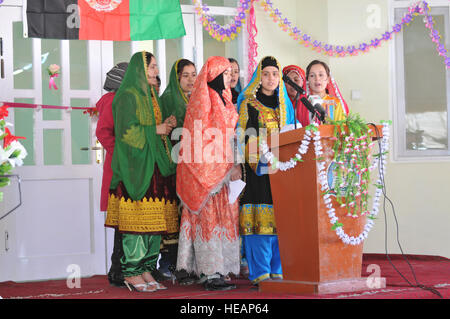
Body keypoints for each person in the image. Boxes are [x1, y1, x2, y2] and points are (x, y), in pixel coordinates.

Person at [104, 51, 179, 293]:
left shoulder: (151, 95)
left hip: (155, 166)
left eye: (156, 67)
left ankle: (147, 267)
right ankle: (132, 272)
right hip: (135, 169)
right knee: (136, 225)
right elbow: (127, 134)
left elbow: (152, 129)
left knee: (155, 224)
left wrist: (165, 125)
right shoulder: (127, 96)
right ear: (139, 69)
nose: (156, 71)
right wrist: (157, 129)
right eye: (152, 67)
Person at [176, 56, 241, 291]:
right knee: (207, 221)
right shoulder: (204, 101)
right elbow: (200, 138)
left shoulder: (225, 99)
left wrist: (234, 163)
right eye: (224, 74)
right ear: (213, 76)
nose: (229, 78)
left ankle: (219, 270)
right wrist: (216, 167)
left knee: (221, 221)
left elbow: (230, 135)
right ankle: (209, 273)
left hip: (223, 174)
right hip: (206, 176)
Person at [236, 56, 295, 285]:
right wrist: (264, 153)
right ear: (259, 77)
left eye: (275, 74)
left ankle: (277, 269)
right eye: (266, 73)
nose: (271, 78)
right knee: (260, 219)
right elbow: (244, 136)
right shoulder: (249, 103)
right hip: (258, 169)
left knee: (280, 220)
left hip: (282, 169)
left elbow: (292, 134)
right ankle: (260, 272)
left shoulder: (284, 105)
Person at [158, 58, 197, 285]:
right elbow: (163, 133)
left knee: (190, 217)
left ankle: (189, 266)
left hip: (195, 168)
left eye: (194, 74)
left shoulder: (198, 98)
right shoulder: (168, 100)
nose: (191, 79)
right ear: (177, 78)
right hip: (173, 167)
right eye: (185, 75)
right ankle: (170, 265)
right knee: (174, 218)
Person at [95, 61, 128, 287]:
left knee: (127, 221)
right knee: (122, 222)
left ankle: (124, 269)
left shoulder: (123, 100)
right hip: (120, 168)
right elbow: (103, 132)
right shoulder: (113, 100)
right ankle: (117, 270)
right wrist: (123, 153)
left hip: (127, 167)